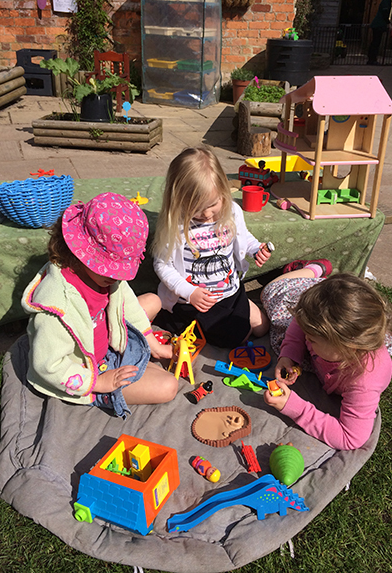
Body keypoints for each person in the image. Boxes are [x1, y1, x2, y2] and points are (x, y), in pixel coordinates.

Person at [21, 192, 178, 419]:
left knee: (153, 300)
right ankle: (96, 395)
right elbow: (47, 365)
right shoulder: (56, 308)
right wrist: (98, 382)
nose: (116, 277)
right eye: (111, 269)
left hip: (103, 343)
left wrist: (154, 345)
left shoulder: (102, 276)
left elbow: (128, 305)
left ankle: (133, 357)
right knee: (167, 386)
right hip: (84, 368)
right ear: (80, 253)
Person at [152, 146, 271, 349]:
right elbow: (162, 265)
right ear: (178, 201)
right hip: (195, 303)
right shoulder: (177, 224)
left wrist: (255, 249)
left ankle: (237, 313)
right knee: (235, 340)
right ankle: (177, 321)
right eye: (197, 209)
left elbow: (244, 236)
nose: (207, 214)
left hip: (230, 292)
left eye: (213, 204)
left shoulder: (232, 211)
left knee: (263, 328)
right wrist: (189, 292)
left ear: (223, 192)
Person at [261, 269, 392, 451]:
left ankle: (312, 270)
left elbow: (350, 438)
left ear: (345, 345)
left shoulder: (364, 381)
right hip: (321, 301)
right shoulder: (323, 330)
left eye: (312, 339)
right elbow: (299, 323)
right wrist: (290, 354)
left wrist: (293, 405)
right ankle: (314, 271)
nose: (306, 339)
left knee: (270, 292)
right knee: (275, 297)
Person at [367, 0, 392, 65]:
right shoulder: (386, 1)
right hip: (378, 24)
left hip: (379, 24)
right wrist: (389, 24)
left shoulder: (388, 1)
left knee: (376, 42)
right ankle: (372, 59)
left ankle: (372, 58)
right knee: (376, 42)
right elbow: (384, 14)